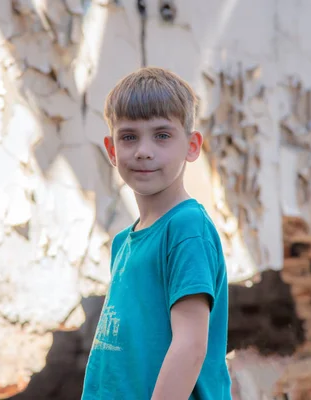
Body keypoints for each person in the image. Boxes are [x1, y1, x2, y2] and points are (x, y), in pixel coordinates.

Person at [81, 67, 232, 400]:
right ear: (111, 149)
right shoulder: (124, 243)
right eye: (129, 136)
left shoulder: (186, 227)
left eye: (162, 135)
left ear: (192, 146)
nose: (143, 150)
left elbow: (190, 345)